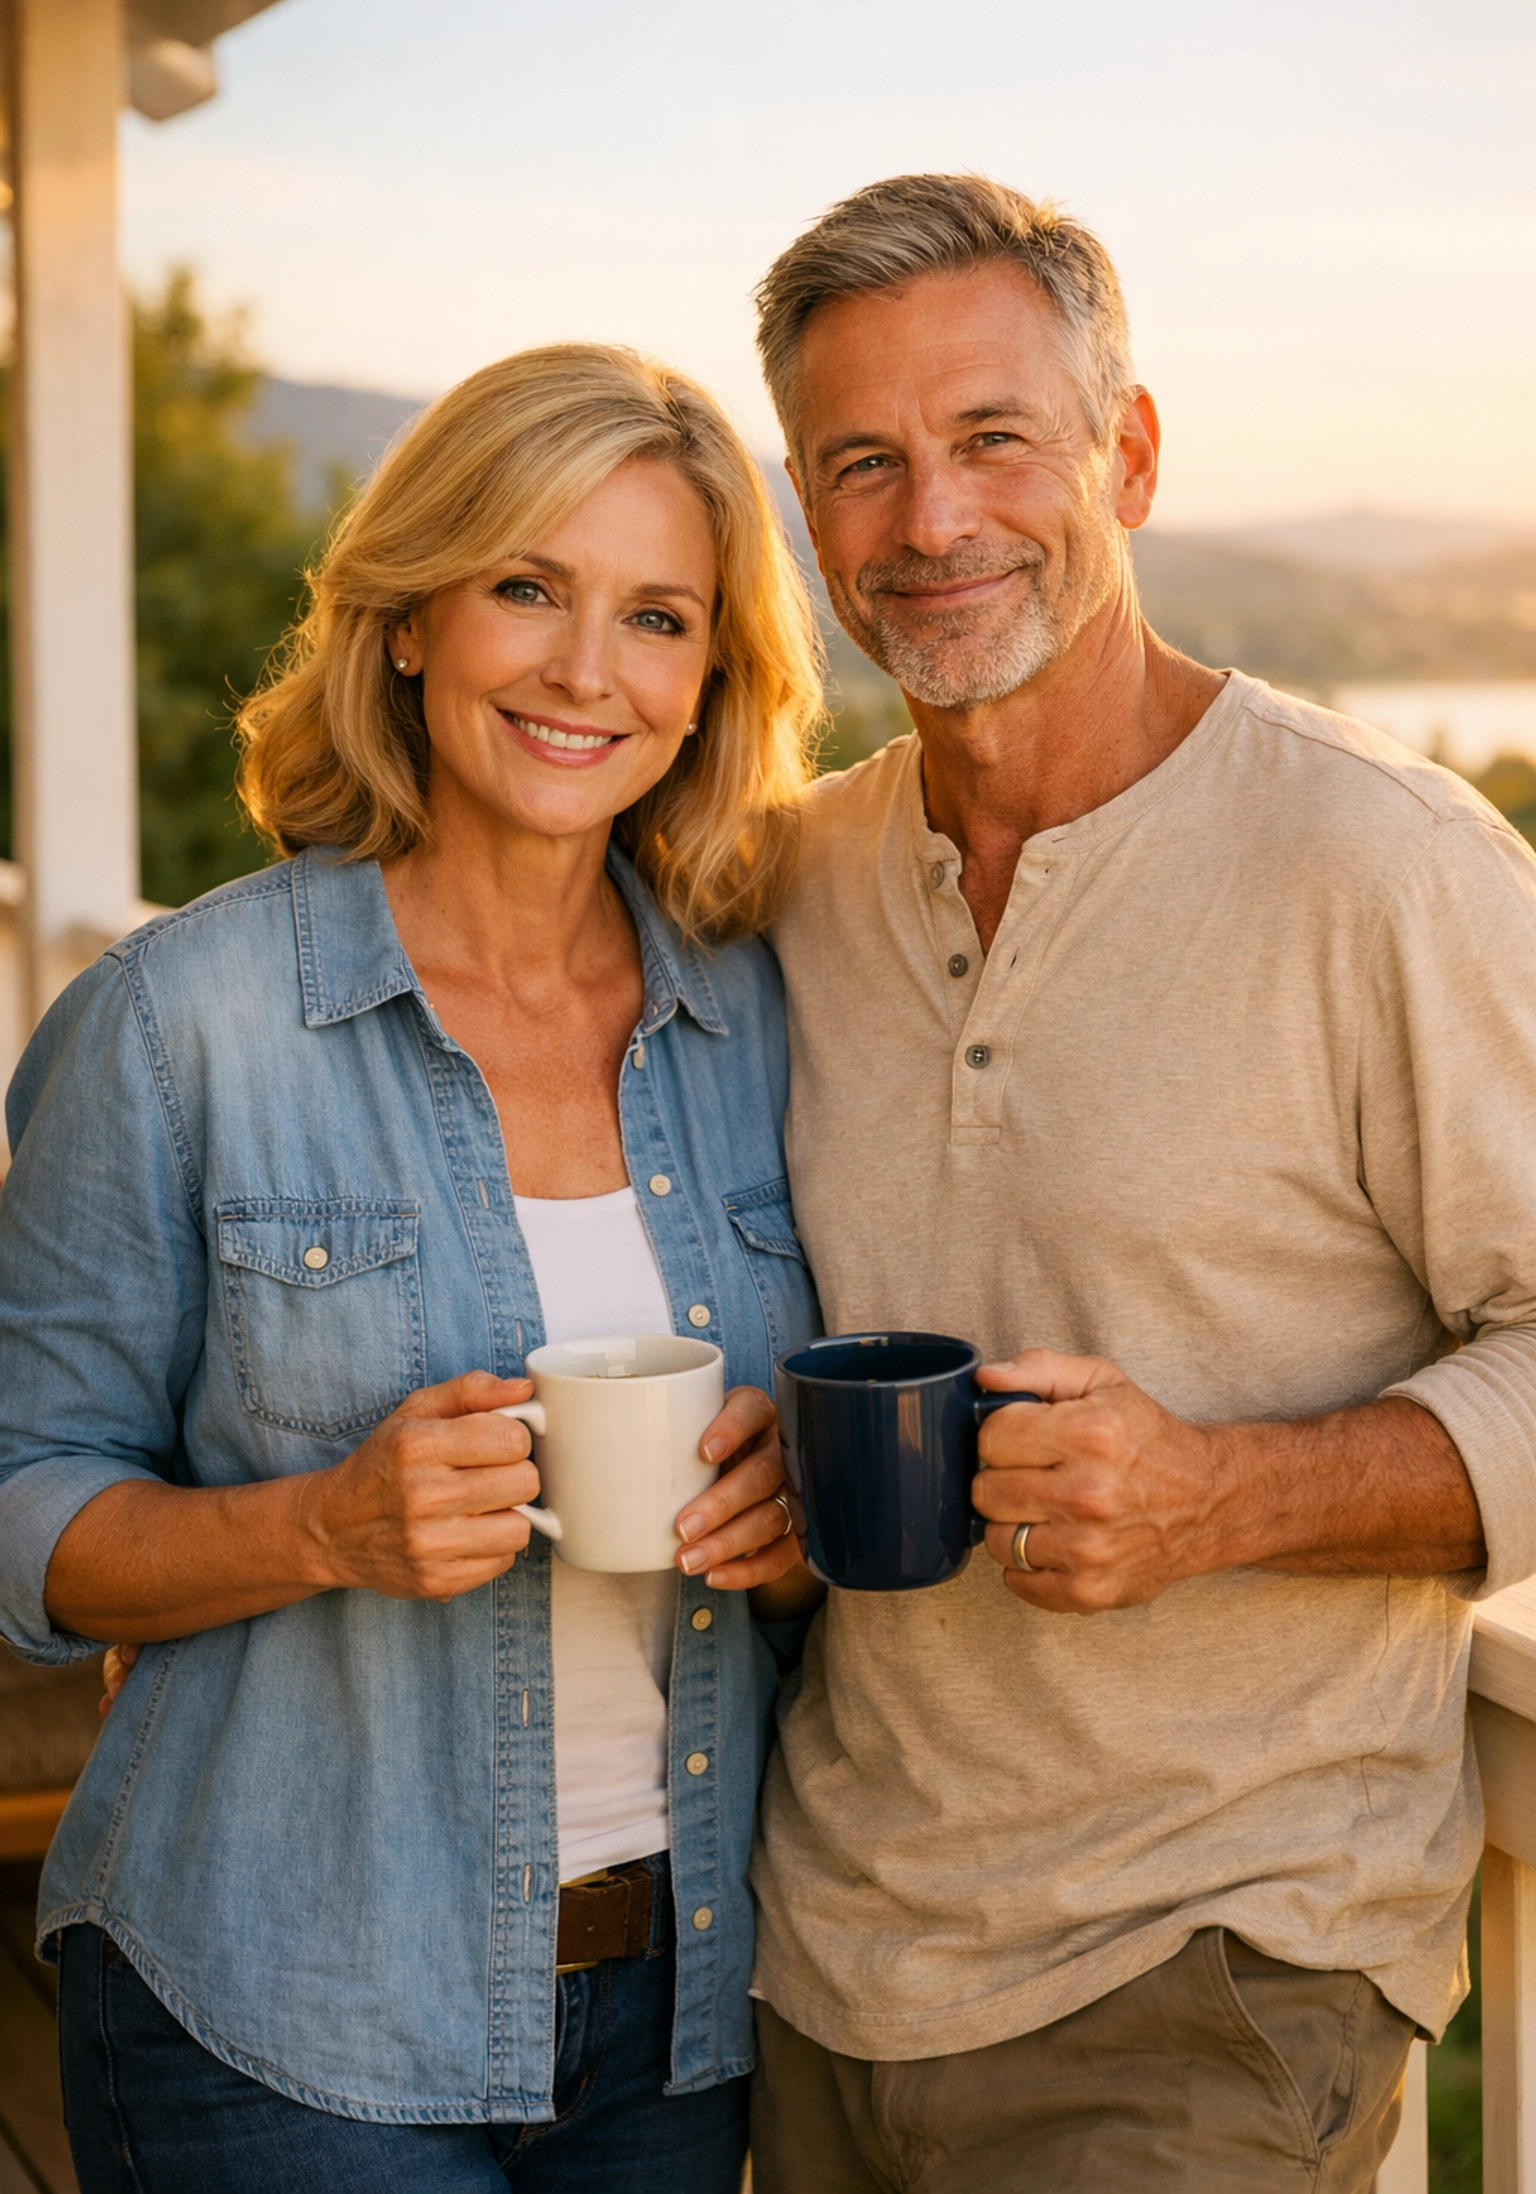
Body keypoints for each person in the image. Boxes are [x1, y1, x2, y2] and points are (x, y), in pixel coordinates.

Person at [745, 172, 1536, 2193]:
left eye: (995, 439)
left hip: (1210, 1972)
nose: (932, 522)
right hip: (820, 1959)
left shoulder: (1390, 869)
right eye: (863, 464)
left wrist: (1221, 1496)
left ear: (1134, 453)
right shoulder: (800, 881)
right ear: (809, 516)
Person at [0, 342, 825, 2193]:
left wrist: (785, 1543)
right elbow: (18, 1507)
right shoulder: (176, 1024)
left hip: (679, 2024)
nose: (583, 670)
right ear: (408, 621)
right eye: (527, 586)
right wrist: (322, 1529)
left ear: (709, 684)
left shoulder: (758, 1026)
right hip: (278, 2013)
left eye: (657, 617)